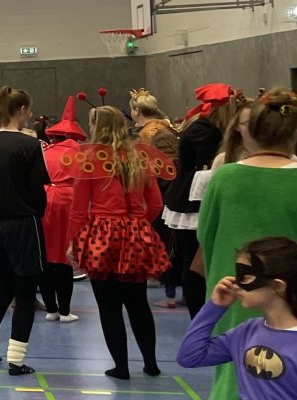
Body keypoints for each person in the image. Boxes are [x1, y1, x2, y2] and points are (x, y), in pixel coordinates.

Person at [197, 87, 297, 397]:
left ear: (247, 132)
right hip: (293, 297)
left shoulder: (224, 177)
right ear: (296, 133)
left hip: (234, 289)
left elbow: (205, 234)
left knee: (234, 368)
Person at [69, 105, 171, 380]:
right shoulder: (140, 156)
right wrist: (138, 224)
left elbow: (79, 208)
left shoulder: (88, 158)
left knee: (108, 307)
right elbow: (156, 203)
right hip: (136, 232)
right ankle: (151, 363)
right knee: (138, 302)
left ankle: (121, 367)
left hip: (101, 234)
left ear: (96, 126)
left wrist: (73, 241)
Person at [0, 86, 50, 376]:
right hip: (22, 224)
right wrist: (34, 214)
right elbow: (38, 191)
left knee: (5, 288)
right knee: (26, 293)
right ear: (23, 111)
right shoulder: (29, 145)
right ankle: (16, 359)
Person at [177, 237, 297, 399]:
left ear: (277, 286)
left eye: (246, 277)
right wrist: (215, 306)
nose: (236, 285)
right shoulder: (246, 332)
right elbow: (190, 357)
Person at [165, 83, 237, 319]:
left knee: (195, 260)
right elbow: (204, 168)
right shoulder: (205, 132)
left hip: (194, 194)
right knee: (194, 261)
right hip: (194, 199)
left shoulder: (204, 128)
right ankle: (199, 314)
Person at [39, 96, 85, 322]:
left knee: (46, 256)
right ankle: (65, 310)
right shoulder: (81, 153)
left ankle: (51, 309)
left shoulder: (45, 152)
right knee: (65, 256)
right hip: (70, 202)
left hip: (45, 200)